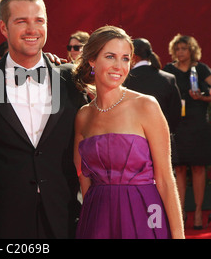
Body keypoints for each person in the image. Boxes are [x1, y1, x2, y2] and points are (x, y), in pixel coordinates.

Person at [0, 0, 87, 238]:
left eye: (39, 21)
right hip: (3, 219)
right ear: (3, 27)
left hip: (64, 216)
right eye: (21, 21)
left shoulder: (72, 79)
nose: (32, 29)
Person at [73, 25, 184, 239]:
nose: (119, 66)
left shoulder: (146, 106)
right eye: (110, 56)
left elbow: (165, 179)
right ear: (92, 61)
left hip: (145, 212)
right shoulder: (83, 116)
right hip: (97, 217)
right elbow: (84, 179)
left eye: (125, 58)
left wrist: (178, 236)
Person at [163, 34, 211, 229]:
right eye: (178, 48)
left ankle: (198, 213)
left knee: (199, 168)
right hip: (177, 125)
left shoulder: (200, 69)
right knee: (179, 169)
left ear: (192, 50)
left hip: (198, 124)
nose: (180, 52)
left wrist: (203, 97)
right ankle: (180, 212)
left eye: (184, 48)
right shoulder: (168, 69)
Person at [123, 38, 182, 142]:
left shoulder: (125, 79)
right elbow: (176, 112)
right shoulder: (168, 78)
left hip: (133, 139)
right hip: (163, 137)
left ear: (133, 56)